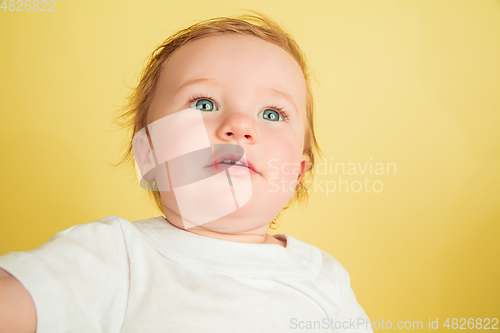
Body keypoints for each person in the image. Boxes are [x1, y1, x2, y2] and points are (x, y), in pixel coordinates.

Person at [0, 11, 373, 332]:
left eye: (272, 114)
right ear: (148, 154)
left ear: (297, 174)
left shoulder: (324, 279)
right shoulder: (116, 257)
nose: (240, 125)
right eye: (204, 103)